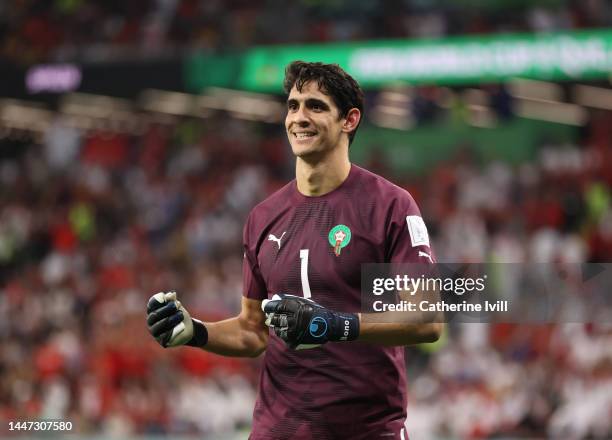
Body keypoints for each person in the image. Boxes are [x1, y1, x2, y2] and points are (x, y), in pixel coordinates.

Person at [146, 61, 442, 439]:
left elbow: (426, 319)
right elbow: (253, 332)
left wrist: (333, 325)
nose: (299, 117)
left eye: (315, 106)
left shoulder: (390, 207)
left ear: (349, 120)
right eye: (293, 105)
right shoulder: (263, 217)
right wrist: (197, 332)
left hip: (366, 431)